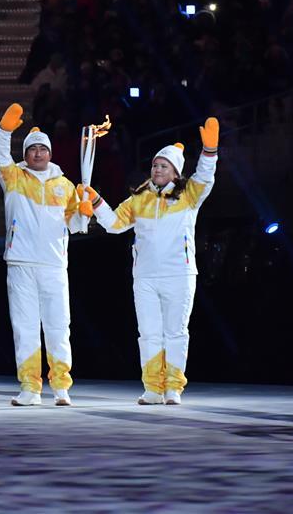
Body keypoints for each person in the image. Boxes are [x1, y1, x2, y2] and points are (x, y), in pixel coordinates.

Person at [82, 118, 219, 405]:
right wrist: (96, 202)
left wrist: (209, 151)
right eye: (156, 165)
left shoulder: (189, 195)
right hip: (145, 277)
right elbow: (115, 224)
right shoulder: (139, 199)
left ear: (175, 172)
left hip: (179, 275)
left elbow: (205, 178)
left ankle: (173, 388)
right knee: (149, 335)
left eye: (164, 166)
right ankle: (153, 388)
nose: (157, 169)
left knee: (176, 333)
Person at [0, 103, 93, 406]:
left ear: (50, 153)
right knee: (25, 327)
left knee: (58, 326)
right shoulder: (13, 179)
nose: (38, 153)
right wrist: (3, 131)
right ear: (25, 154)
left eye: (42, 149)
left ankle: (61, 387)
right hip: (21, 263)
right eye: (32, 149)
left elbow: (75, 225)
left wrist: (84, 212)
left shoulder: (65, 186)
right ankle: (30, 389)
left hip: (53, 265)